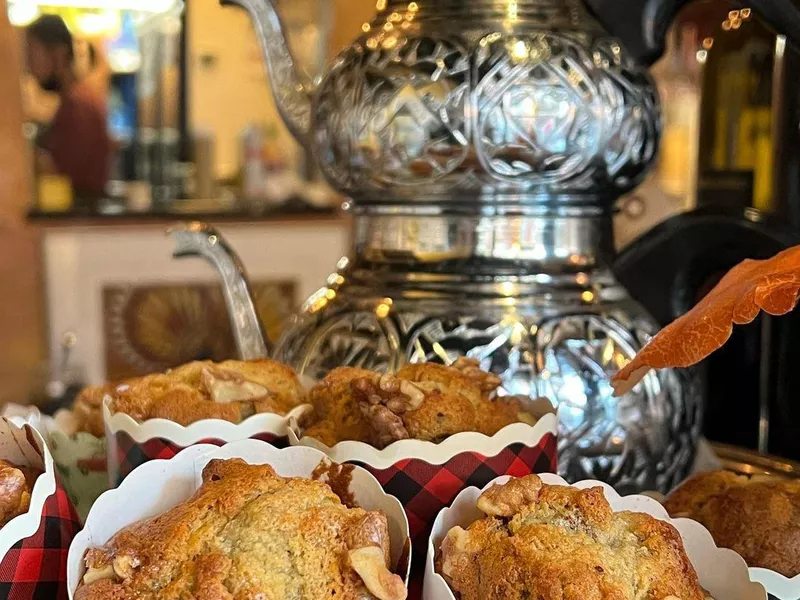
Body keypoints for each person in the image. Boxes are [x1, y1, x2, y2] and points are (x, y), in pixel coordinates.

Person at [26, 15, 110, 201]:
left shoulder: (79, 107)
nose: (29, 68)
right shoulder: (74, 102)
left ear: (59, 54)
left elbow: (63, 179)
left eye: (32, 55)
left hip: (79, 223)